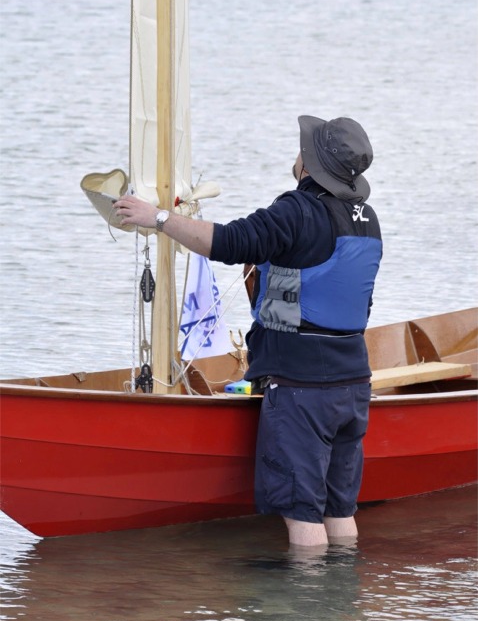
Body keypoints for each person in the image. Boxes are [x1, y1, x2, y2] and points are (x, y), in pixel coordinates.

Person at [114, 115, 382, 548]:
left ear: (310, 165)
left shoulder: (297, 211)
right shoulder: (368, 219)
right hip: (352, 384)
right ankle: (340, 607)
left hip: (302, 389)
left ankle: (303, 607)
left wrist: (158, 217)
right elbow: (347, 296)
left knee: (302, 514)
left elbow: (227, 242)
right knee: (339, 508)